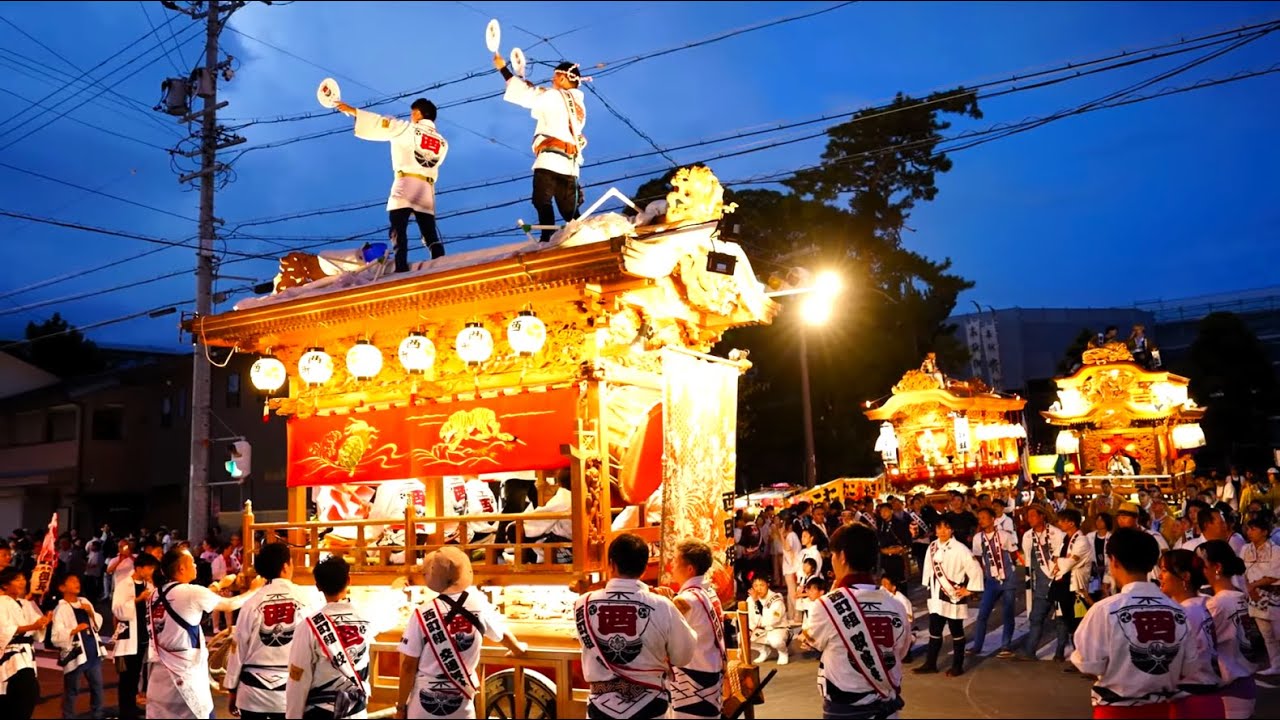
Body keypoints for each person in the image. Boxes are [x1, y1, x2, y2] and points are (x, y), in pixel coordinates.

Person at [1071, 527, 1193, 718]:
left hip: (1116, 710)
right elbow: (1189, 665)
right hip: (1163, 710)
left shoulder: (1105, 609)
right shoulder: (1178, 611)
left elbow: (1088, 664)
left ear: (1113, 561)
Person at [574, 533, 695, 720]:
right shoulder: (663, 606)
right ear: (645, 568)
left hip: (601, 708)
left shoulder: (583, 604)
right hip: (650, 706)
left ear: (611, 564)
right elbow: (682, 656)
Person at [397, 546, 527, 719]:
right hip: (461, 702)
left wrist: (400, 707)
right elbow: (502, 635)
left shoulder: (422, 613)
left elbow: (408, 666)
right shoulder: (480, 605)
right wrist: (517, 649)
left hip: (423, 704)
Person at [799, 523, 911, 719]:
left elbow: (809, 641)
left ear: (842, 556)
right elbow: (901, 650)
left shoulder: (826, 605)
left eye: (833, 555)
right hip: (887, 708)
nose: (832, 560)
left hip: (845, 710)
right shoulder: (896, 605)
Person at [146, 547, 263, 719]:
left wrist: (220, 584)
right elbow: (230, 605)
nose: (195, 565)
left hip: (159, 679)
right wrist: (254, 590)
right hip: (184, 680)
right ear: (181, 568)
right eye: (192, 562)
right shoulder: (190, 592)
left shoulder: (154, 595)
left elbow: (192, 601)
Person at [335, 97, 448, 271]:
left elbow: (382, 123)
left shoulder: (407, 129)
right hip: (426, 188)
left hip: (406, 182)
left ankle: (401, 266)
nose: (411, 117)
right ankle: (441, 262)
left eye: (412, 113)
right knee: (429, 231)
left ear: (418, 114)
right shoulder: (442, 143)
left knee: (398, 227)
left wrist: (353, 112)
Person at [493, 53, 587, 243]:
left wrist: (503, 69)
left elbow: (527, 96)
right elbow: (541, 105)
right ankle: (585, 237)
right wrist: (529, 86)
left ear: (563, 78)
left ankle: (547, 238)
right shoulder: (579, 106)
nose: (552, 80)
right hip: (570, 164)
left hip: (550, 160)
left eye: (555, 77)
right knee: (570, 211)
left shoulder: (554, 95)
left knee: (541, 200)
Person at [225, 543, 322, 720]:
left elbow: (237, 648)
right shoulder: (308, 599)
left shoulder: (252, 603)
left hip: (252, 692)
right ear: (286, 566)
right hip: (292, 690)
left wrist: (232, 688)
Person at [287, 556, 374, 720]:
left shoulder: (308, 626)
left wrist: (293, 715)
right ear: (349, 580)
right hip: (357, 711)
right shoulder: (367, 617)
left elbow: (298, 678)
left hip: (321, 711)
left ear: (318, 586)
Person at [659, 540, 726, 720]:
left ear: (690, 569)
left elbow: (666, 634)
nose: (672, 566)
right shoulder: (708, 592)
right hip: (710, 668)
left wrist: (664, 604)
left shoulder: (687, 599)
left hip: (693, 676)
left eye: (675, 561)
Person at [1199, 540, 1264, 719]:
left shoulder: (1217, 604)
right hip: (1244, 680)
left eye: (1202, 565)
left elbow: (1199, 646)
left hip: (1230, 688)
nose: (1199, 570)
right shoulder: (1238, 596)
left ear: (1217, 567)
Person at [1158, 550, 1224, 719]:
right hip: (1210, 695)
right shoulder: (1204, 603)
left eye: (1164, 570)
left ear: (1185, 576)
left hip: (1190, 700)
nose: (1159, 576)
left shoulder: (1183, 613)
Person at [916, 517, 983, 676]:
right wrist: (928, 587)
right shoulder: (932, 546)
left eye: (946, 528)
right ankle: (930, 664)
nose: (942, 531)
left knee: (956, 631)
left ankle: (957, 666)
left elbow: (976, 569)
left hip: (953, 595)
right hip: (936, 596)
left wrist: (969, 590)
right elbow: (928, 569)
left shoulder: (961, 549)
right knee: (934, 630)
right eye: (939, 528)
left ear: (951, 530)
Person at [52, 573, 105, 720]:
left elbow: (97, 624)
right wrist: (74, 630)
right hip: (76, 654)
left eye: (77, 581)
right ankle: (68, 716)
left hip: (92, 650)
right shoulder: (61, 609)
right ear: (62, 587)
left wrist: (91, 613)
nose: (77, 583)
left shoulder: (84, 602)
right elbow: (56, 636)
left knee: (97, 686)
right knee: (72, 689)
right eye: (72, 581)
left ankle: (98, 714)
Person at [0, 566, 51, 720]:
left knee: (18, 696)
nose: (22, 582)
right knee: (28, 690)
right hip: (11, 652)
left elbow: (37, 630)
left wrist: (45, 621)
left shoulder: (25, 603)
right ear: (5, 585)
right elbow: (4, 629)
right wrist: (33, 626)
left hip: (27, 654)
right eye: (17, 579)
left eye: (23, 578)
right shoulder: (1, 602)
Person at [970, 506, 1021, 658]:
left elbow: (1013, 554)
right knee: (983, 614)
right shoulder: (978, 538)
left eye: (984, 517)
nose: (981, 521)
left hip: (1007, 578)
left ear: (993, 519)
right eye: (979, 518)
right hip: (991, 580)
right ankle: (977, 646)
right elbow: (977, 557)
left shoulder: (1004, 535)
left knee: (1008, 613)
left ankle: (1006, 646)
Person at [113, 553, 158, 720]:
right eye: (149, 568)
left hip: (143, 635)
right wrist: (138, 599)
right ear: (139, 568)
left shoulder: (149, 585)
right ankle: (125, 711)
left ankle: (131, 706)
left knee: (137, 674)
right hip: (129, 637)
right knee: (127, 676)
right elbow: (117, 609)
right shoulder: (124, 584)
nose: (152, 571)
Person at [1019, 504, 1065, 661]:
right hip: (1040, 585)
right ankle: (1030, 651)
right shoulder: (1027, 536)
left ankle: (1059, 652)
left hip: (1058, 582)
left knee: (1061, 619)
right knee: (1036, 618)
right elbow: (1028, 561)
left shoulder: (1056, 533)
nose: (1029, 519)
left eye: (1033, 515)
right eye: (1028, 516)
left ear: (1042, 516)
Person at [1240, 516, 1280, 676]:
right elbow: (1241, 572)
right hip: (1254, 598)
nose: (1249, 532)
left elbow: (1275, 575)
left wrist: (1253, 586)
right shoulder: (1245, 549)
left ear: (1264, 532)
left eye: (1253, 529)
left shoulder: (1275, 550)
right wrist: (1249, 589)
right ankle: (1275, 665)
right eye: (1248, 529)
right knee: (1267, 635)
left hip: (1273, 596)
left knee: (1278, 633)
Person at [747, 576, 790, 665]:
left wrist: (757, 601)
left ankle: (783, 652)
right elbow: (750, 617)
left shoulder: (776, 598)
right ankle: (764, 651)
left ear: (768, 584)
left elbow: (773, 619)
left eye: (762, 585)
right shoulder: (750, 599)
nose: (759, 589)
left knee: (775, 640)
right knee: (742, 637)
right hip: (761, 629)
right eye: (756, 586)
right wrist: (750, 629)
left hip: (777, 628)